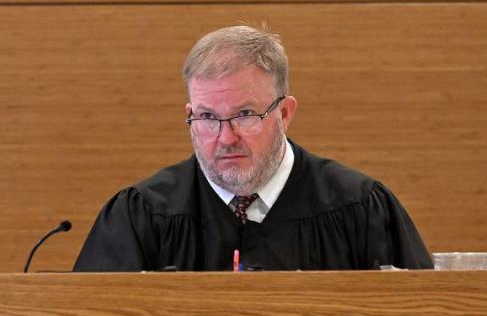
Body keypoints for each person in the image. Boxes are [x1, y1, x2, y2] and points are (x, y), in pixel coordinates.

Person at [73, 25, 433, 272]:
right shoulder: (141, 217)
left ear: (285, 113)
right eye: (207, 117)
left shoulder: (361, 210)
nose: (225, 137)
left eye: (245, 115)